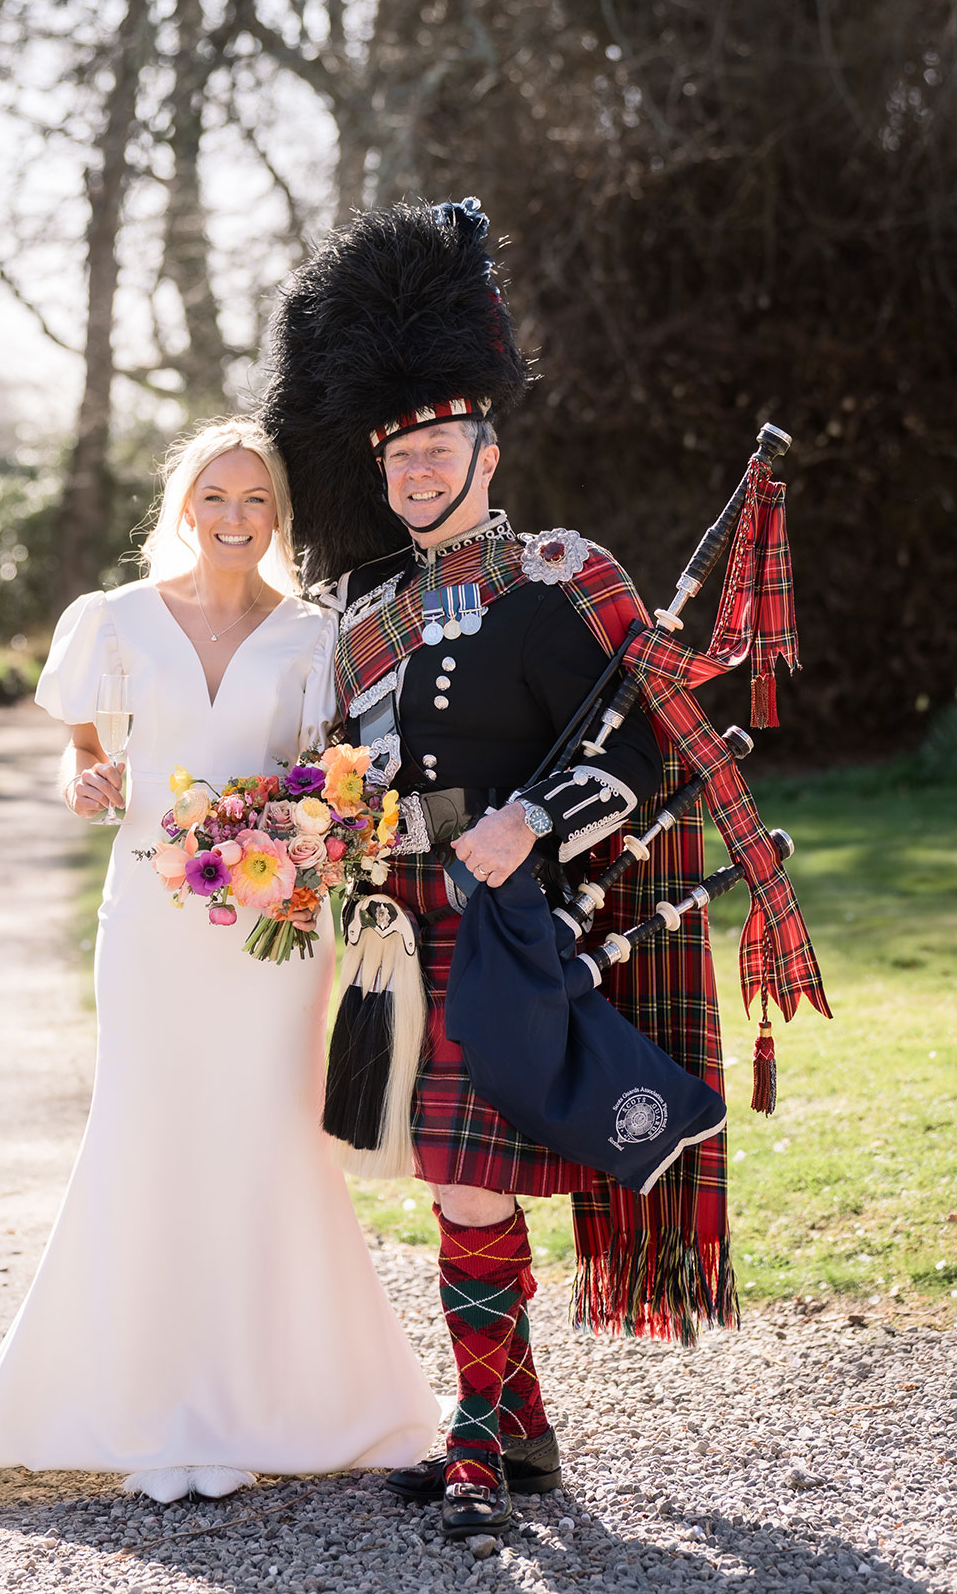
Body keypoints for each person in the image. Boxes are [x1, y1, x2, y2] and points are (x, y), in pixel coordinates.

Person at [0, 417, 439, 1503]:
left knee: (272, 1129)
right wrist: (84, 780)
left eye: (256, 501)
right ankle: (140, 1387)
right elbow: (83, 756)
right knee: (150, 1123)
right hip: (152, 915)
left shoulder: (316, 634)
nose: (235, 519)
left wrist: (302, 823)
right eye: (215, 498)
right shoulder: (115, 620)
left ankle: (277, 1391)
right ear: (184, 506)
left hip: (276, 928)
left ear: (279, 515)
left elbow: (330, 774)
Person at [257, 198, 739, 1541]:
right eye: (398, 448)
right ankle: (514, 1434)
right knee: (440, 1173)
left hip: (508, 912)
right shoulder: (360, 619)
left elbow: (655, 746)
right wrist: (294, 827)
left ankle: (480, 1440)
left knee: (471, 1179)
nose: (418, 467)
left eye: (441, 441)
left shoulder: (561, 574)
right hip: (393, 921)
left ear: (489, 441)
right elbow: (344, 768)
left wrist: (533, 819)